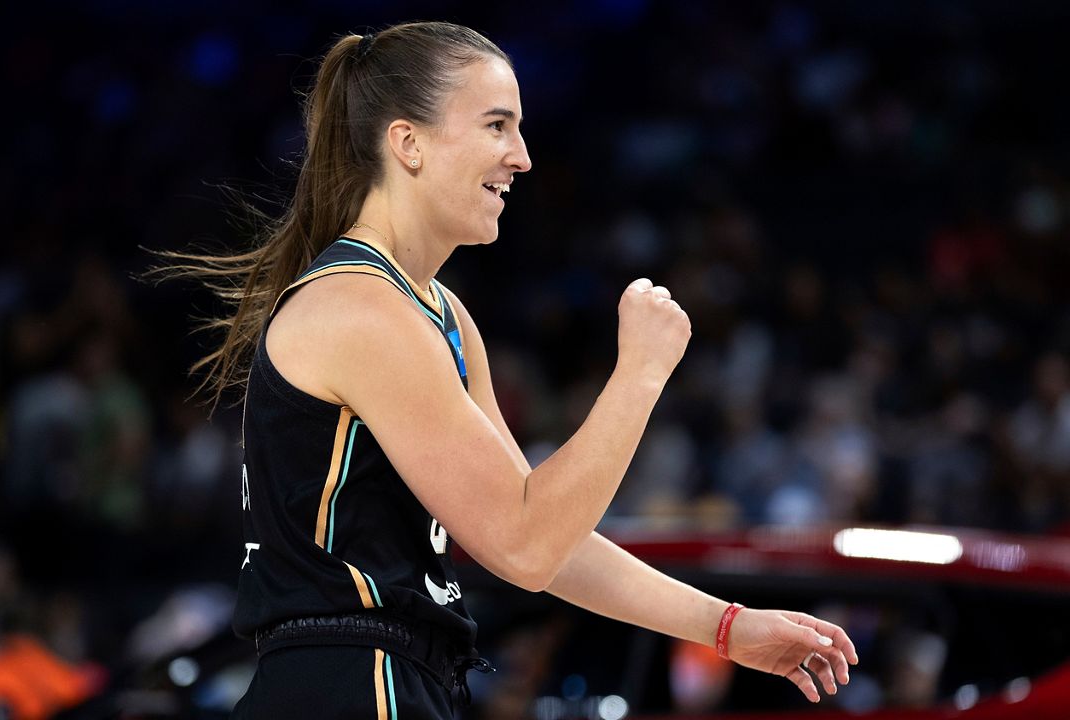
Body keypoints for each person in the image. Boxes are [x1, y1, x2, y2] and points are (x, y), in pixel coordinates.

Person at [159, 21, 858, 720]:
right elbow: (523, 546)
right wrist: (640, 375)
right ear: (409, 143)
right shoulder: (360, 309)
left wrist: (725, 626)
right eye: (498, 125)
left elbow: (541, 538)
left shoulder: (438, 313)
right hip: (351, 684)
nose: (521, 157)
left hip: (396, 678)